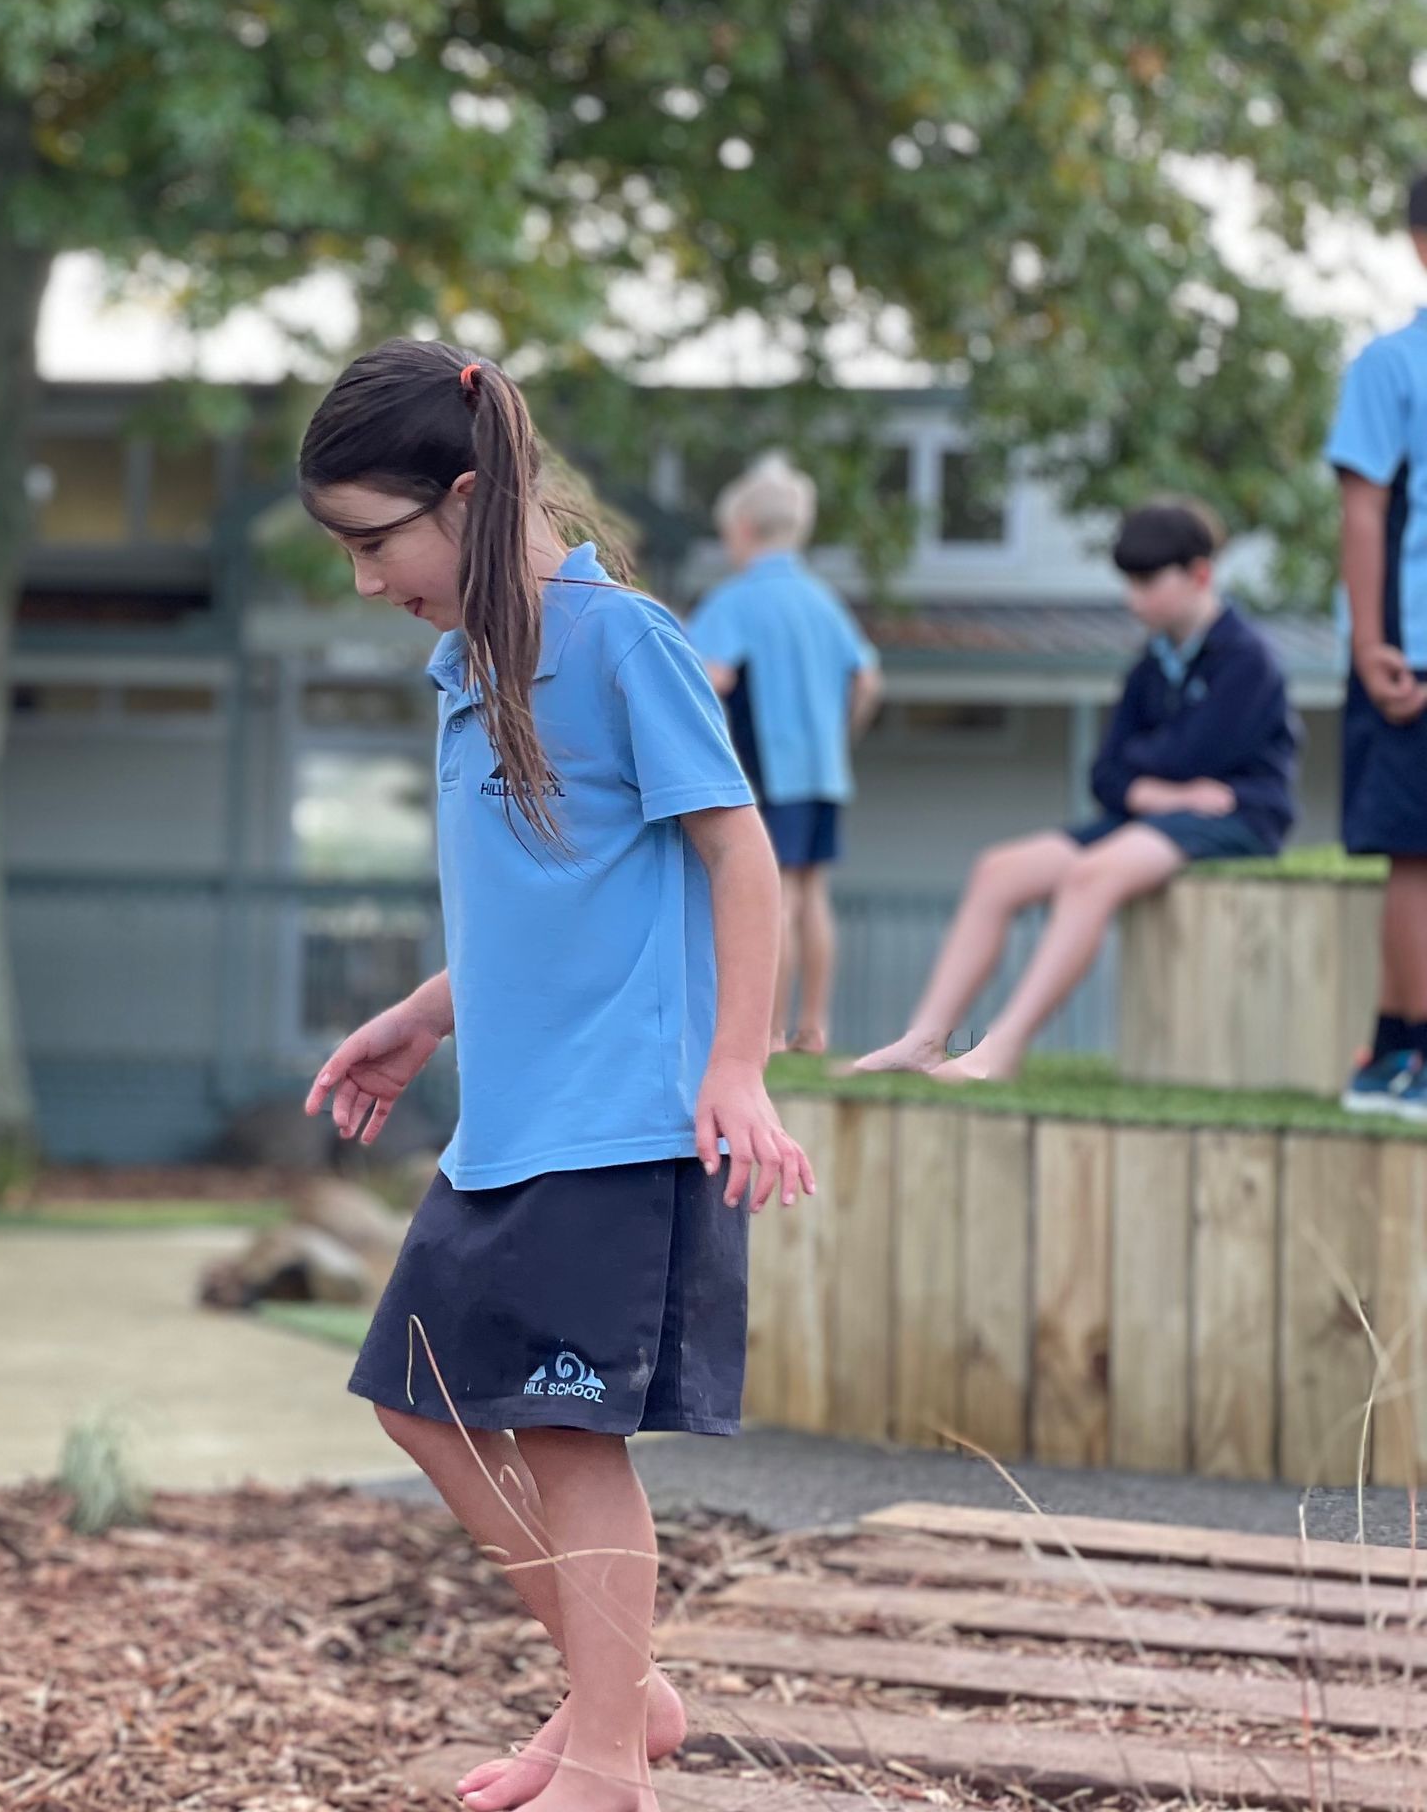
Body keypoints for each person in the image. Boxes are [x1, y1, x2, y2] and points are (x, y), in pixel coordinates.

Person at [295, 340, 811, 1812]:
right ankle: (621, 1692)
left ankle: (602, 1765)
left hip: (619, 1120)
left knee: (566, 1438)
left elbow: (740, 857)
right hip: (512, 1124)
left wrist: (736, 1067)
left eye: (375, 543)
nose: (364, 580)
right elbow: (561, 896)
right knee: (422, 1395)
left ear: (465, 495)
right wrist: (430, 1012)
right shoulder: (472, 663)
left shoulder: (618, 640)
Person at [846, 499, 1295, 1083]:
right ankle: (925, 1041)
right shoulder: (1149, 665)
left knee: (1092, 875)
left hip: (1237, 819)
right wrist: (1156, 793)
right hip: (1161, 814)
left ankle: (999, 1050)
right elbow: (1105, 774)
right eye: (1128, 582)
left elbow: (1190, 758)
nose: (1133, 598)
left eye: (1147, 581)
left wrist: (1144, 780)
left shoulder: (1249, 660)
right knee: (998, 870)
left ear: (1199, 574)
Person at [682, 453, 883, 1055]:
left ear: (742, 530)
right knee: (812, 893)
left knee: (775, 895)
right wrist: (839, 738)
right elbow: (868, 682)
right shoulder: (825, 602)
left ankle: (766, 1032)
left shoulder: (735, 601)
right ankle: (814, 1029)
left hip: (767, 768)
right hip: (823, 770)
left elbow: (707, 678)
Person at [1326, 176, 1427, 1117]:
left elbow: (1365, 509)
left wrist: (1369, 644)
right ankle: (1398, 1049)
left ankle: (1405, 1053)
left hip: (1409, 645)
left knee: (1413, 856)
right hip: (1410, 647)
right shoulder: (1394, 364)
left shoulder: (1393, 363)